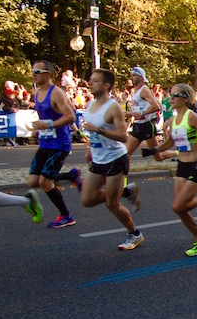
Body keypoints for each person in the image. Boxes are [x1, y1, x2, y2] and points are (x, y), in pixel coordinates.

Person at [142, 83, 197, 256]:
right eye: (171, 94)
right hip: (182, 166)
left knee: (177, 207)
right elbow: (171, 143)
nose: (171, 98)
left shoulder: (191, 117)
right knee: (181, 209)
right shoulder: (172, 120)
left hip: (195, 166)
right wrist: (154, 150)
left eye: (176, 95)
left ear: (186, 99)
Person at [79, 69, 144, 250]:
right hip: (98, 159)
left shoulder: (113, 107)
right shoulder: (90, 104)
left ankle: (134, 234)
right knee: (87, 199)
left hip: (116, 158)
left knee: (111, 204)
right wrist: (88, 148)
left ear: (106, 85)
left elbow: (123, 137)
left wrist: (99, 130)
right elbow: (90, 131)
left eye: (95, 81)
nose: (90, 83)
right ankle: (125, 191)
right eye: (91, 80)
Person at [27, 60, 77, 228]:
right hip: (45, 143)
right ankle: (70, 176)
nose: (33, 74)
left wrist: (48, 125)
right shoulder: (37, 92)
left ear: (47, 74)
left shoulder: (56, 93)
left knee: (45, 183)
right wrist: (38, 128)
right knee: (33, 181)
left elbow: (70, 116)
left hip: (59, 144)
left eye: (36, 71)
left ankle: (66, 216)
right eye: (32, 70)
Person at [122, 66, 162, 210]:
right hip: (138, 126)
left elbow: (157, 106)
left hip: (146, 126)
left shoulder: (144, 89)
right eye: (131, 75)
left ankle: (178, 154)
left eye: (134, 75)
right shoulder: (136, 91)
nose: (131, 78)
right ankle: (125, 186)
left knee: (158, 156)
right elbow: (140, 110)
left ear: (140, 77)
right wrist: (131, 113)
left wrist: (141, 114)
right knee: (126, 153)